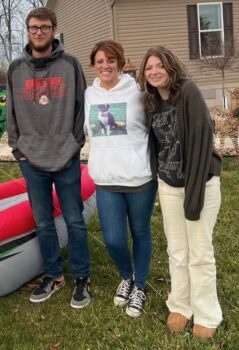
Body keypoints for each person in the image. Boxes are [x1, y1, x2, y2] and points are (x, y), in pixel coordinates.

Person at [7, 7, 90, 309]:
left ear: (54, 29)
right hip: (32, 159)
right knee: (43, 222)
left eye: (44, 27)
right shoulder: (16, 69)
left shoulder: (70, 65)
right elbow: (12, 113)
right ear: (27, 31)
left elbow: (82, 106)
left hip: (66, 156)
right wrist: (18, 149)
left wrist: (74, 143)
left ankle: (82, 277)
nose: (38, 32)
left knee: (74, 220)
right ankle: (54, 274)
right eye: (33, 27)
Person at [138, 46, 222, 338]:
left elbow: (201, 142)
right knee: (177, 250)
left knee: (199, 252)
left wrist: (194, 195)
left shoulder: (188, 92)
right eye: (149, 68)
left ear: (171, 67)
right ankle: (181, 305)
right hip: (170, 185)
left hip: (200, 182)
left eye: (159, 66)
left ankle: (207, 313)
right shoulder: (151, 101)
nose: (154, 72)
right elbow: (155, 145)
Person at [84, 40, 158, 317]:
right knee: (114, 239)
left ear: (120, 63)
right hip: (106, 179)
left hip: (139, 179)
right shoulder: (89, 94)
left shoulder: (138, 91)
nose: (106, 66)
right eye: (100, 61)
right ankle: (126, 276)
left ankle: (140, 285)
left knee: (140, 233)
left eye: (111, 60)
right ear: (94, 64)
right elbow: (86, 132)